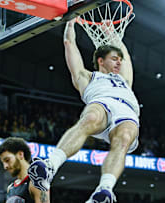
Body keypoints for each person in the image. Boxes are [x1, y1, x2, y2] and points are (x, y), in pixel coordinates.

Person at [28, 19, 140, 203]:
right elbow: (69, 43)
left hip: (126, 110)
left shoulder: (124, 79)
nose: (119, 62)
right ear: (100, 61)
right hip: (101, 102)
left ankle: (104, 191)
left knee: (125, 138)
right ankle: (50, 167)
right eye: (114, 59)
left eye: (119, 60)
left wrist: (110, 32)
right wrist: (70, 23)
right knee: (91, 117)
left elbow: (125, 53)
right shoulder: (86, 77)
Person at [0, 137, 50, 203]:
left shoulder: (37, 183)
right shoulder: (10, 188)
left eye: (7, 160)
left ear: (20, 154)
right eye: (3, 163)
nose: (5, 166)